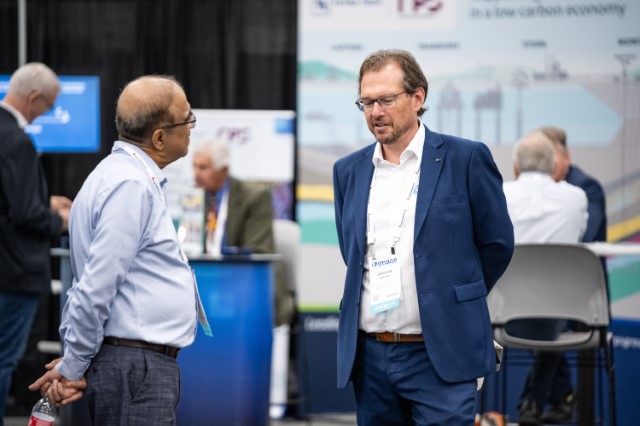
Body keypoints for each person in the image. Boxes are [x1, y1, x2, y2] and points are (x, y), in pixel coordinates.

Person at [332, 49, 514, 425]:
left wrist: (454, 296)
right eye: (366, 102)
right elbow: (352, 253)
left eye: (386, 99)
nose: (375, 112)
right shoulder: (348, 171)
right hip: (372, 357)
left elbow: (497, 244)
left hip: (442, 353)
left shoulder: (465, 158)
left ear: (418, 97)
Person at [29, 75, 209, 425]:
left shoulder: (121, 177)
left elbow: (88, 285)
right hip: (136, 369)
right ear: (159, 138)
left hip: (132, 365)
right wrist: (74, 364)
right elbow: (96, 286)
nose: (192, 125)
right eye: (187, 118)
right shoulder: (130, 185)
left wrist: (75, 360)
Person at [0, 62, 71, 424]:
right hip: (14, 274)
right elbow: (26, 214)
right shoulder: (18, 141)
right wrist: (62, 219)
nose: (48, 112)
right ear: (33, 98)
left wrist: (44, 203)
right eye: (49, 105)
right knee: (3, 361)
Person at [502, 131, 588, 426]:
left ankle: (535, 402)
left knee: (545, 310)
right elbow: (579, 235)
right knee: (553, 311)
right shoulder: (576, 198)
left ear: (515, 168)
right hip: (558, 313)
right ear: (553, 167)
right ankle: (540, 401)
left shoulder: (500, 194)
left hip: (504, 314)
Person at [540, 126, 608, 424]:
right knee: (531, 309)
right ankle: (556, 396)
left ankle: (538, 400)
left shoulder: (586, 188)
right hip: (544, 292)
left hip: (583, 295)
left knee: (542, 314)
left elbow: (583, 238)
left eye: (550, 158)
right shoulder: (537, 190)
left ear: (565, 156)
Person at [192, 138, 294, 326]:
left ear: (224, 170)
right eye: (194, 167)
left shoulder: (254, 196)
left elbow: (257, 252)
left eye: (203, 168)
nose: (196, 174)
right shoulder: (194, 198)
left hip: (242, 283)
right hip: (204, 280)